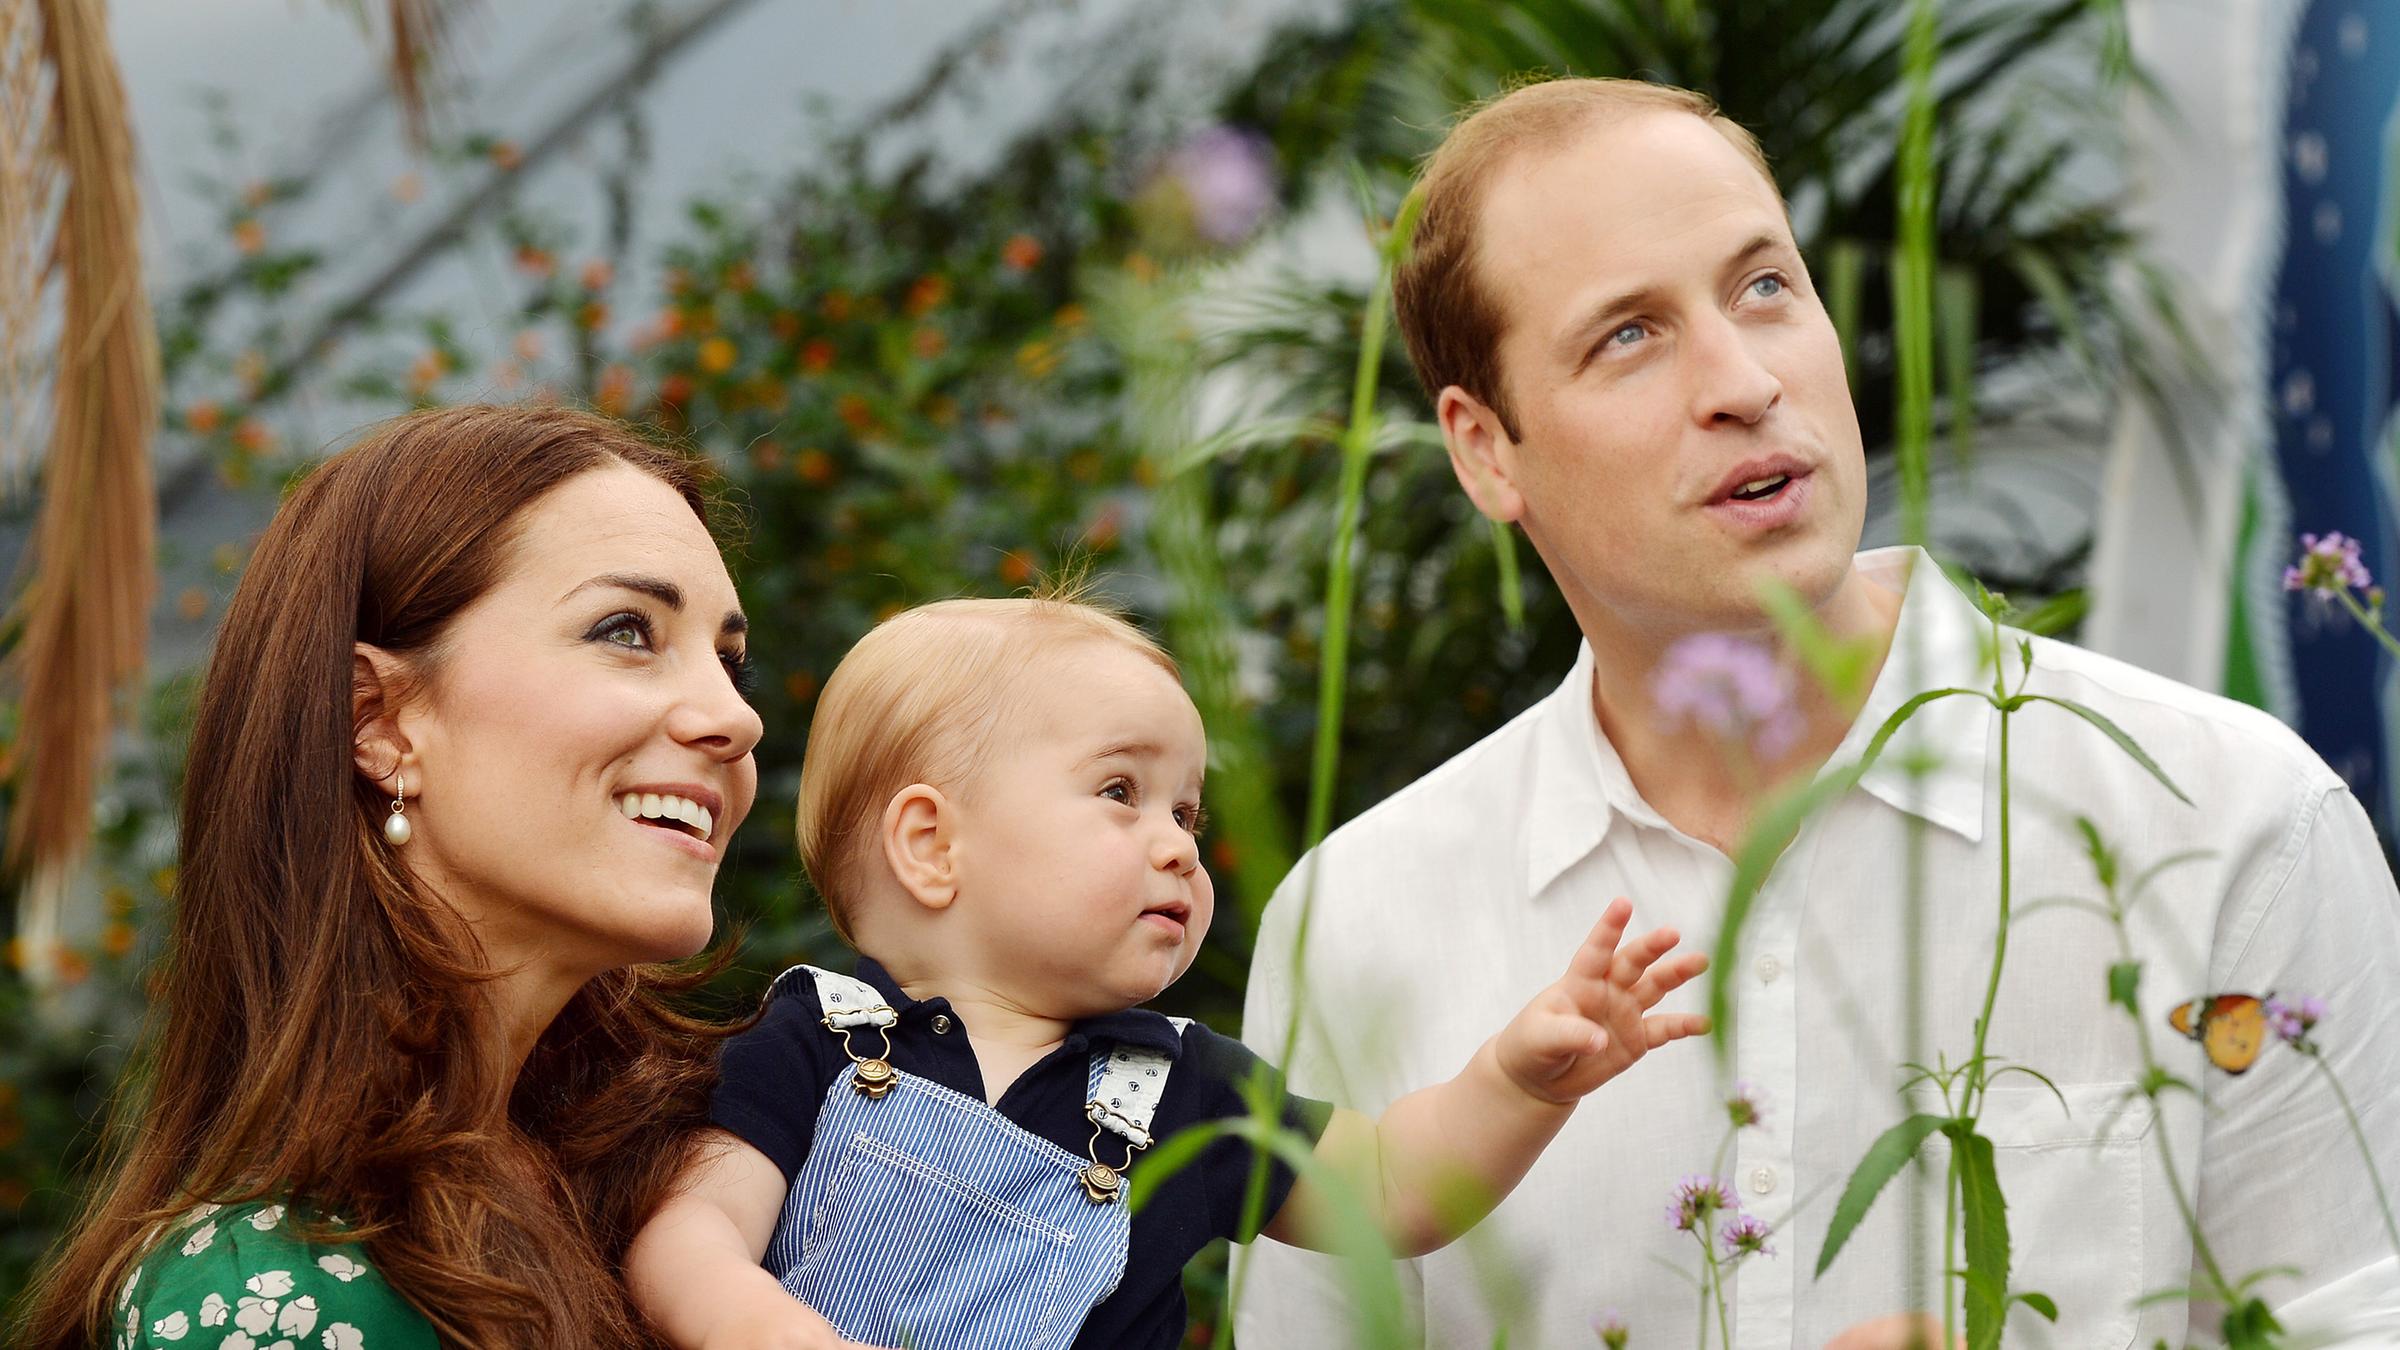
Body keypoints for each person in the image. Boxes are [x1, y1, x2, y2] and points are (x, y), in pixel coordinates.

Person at [1234, 77, 2400, 1348]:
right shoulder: (1356, 924)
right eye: (1629, 334)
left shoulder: (2232, 822)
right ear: (1485, 451)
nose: (1742, 380)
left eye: (1763, 287)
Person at [621, 593, 1710, 1350]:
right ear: (931, 845)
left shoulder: (1186, 1087)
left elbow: (1392, 1189)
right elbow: (692, 1229)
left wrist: (1519, 1086)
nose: (1179, 843)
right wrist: (749, 1323)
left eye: (1186, 809)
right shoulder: (819, 1039)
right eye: (1119, 794)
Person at [10, 404, 767, 1348]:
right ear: (377, 720)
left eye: (731, 660)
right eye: (627, 630)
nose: (736, 720)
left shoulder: (710, 1195)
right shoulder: (276, 1298)